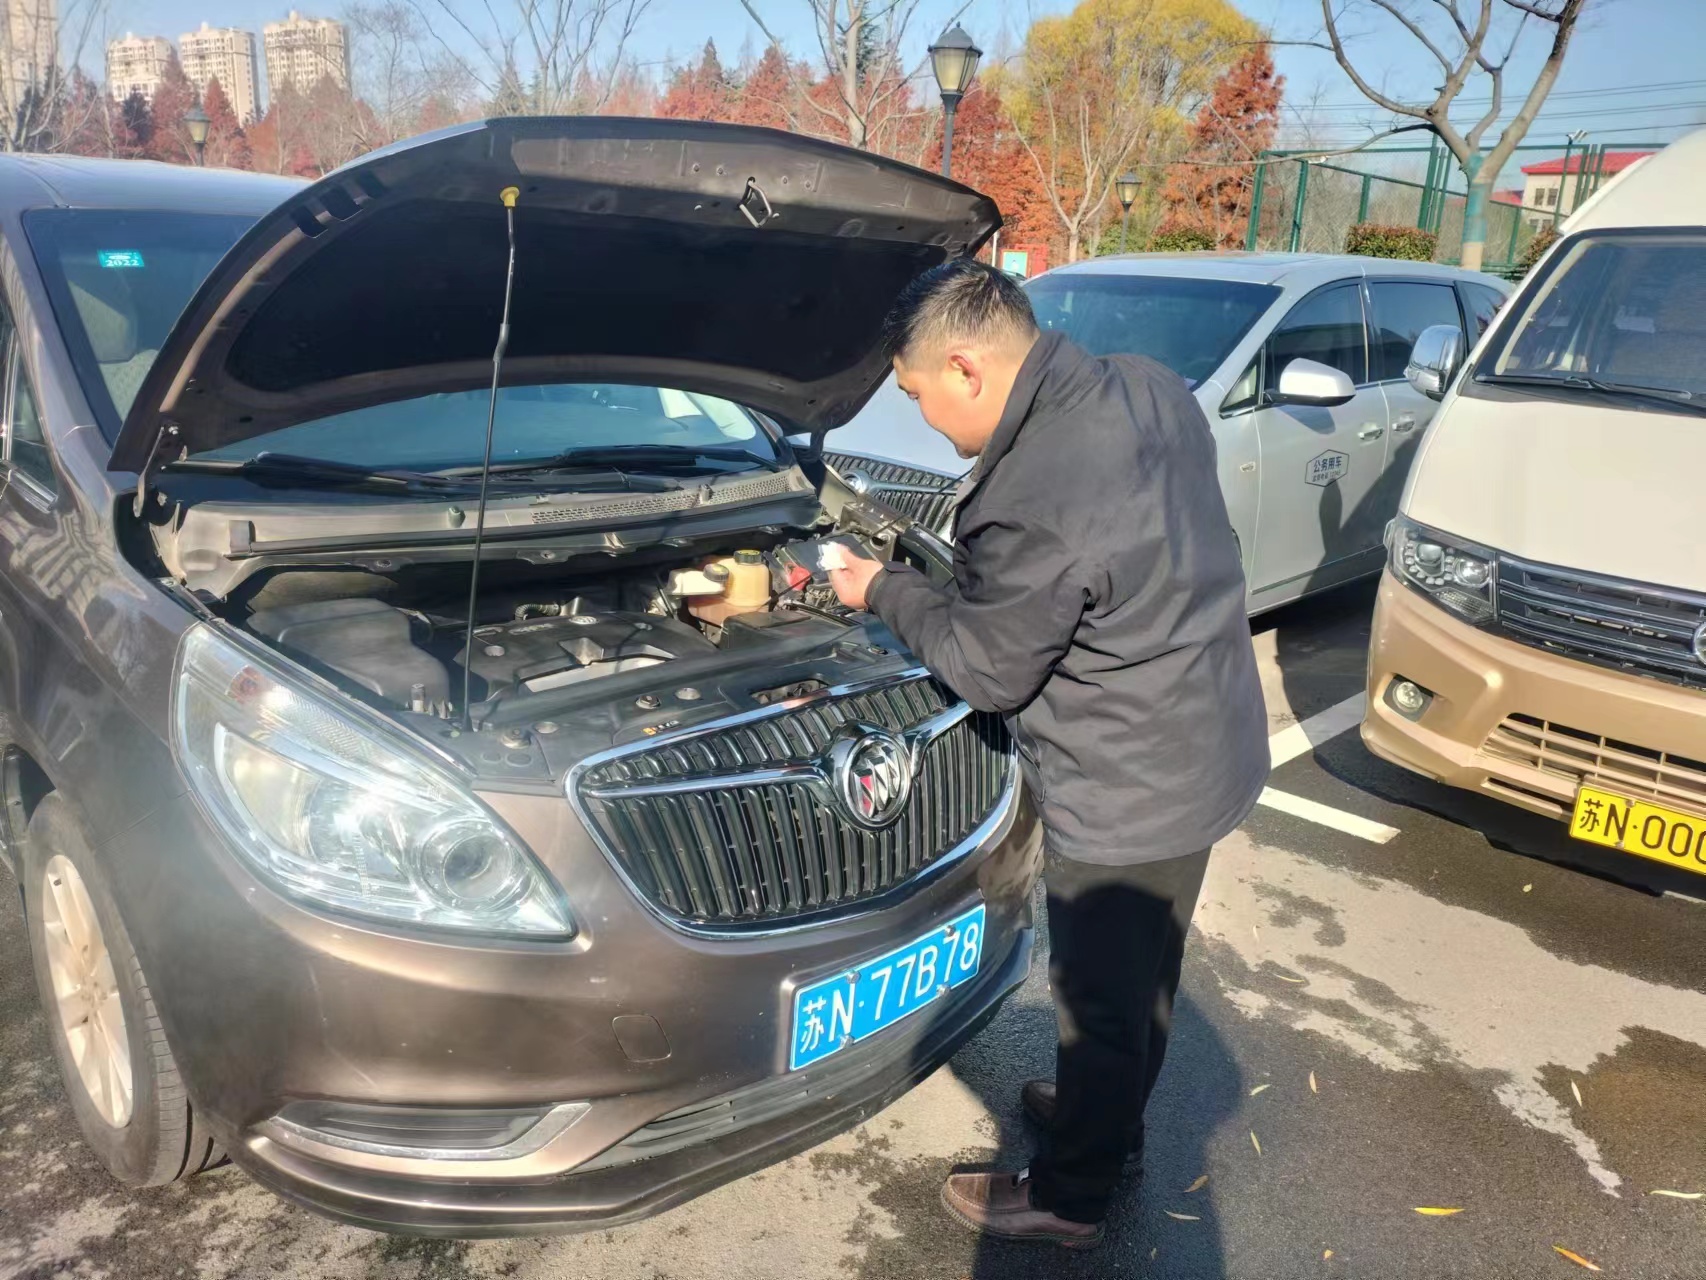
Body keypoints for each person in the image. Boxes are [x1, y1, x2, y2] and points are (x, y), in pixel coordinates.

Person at [826, 260, 1268, 1250]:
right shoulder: (1147, 386)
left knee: (1099, 1001)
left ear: (966, 368)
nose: (923, 419)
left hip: (1129, 785)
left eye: (917, 395)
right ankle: (1104, 1123)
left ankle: (1071, 1195)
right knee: (1146, 977)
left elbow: (987, 668)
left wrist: (879, 589)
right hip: (1208, 740)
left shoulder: (1031, 491)